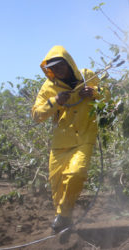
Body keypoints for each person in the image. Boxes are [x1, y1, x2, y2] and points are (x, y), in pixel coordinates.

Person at [32, 45, 109, 233]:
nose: (57, 71)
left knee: (76, 173)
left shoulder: (87, 76)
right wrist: (55, 102)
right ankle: (64, 218)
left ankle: (64, 216)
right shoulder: (49, 87)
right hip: (60, 143)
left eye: (60, 66)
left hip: (84, 136)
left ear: (69, 63)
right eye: (53, 68)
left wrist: (94, 92)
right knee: (57, 185)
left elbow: (108, 96)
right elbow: (36, 115)